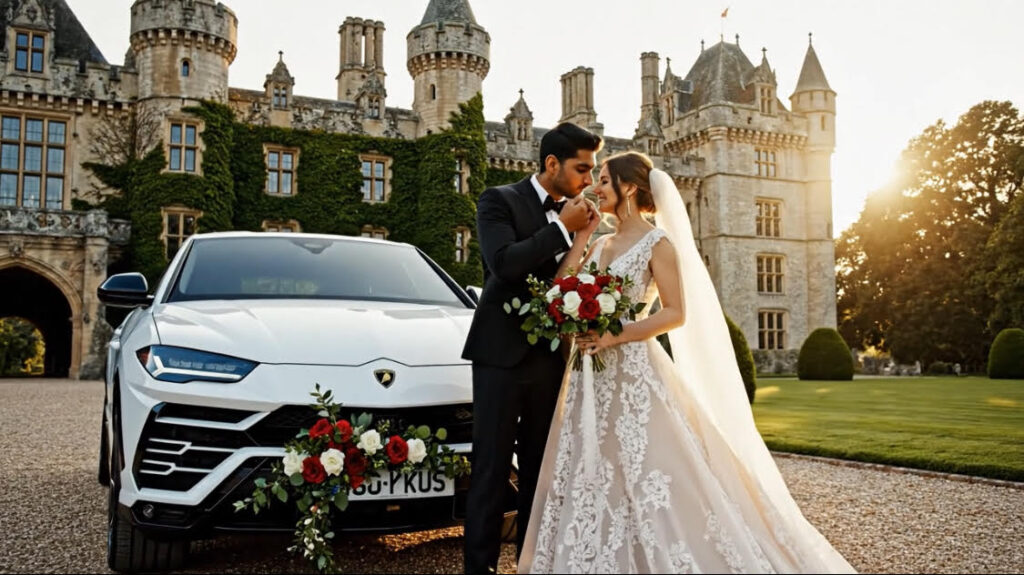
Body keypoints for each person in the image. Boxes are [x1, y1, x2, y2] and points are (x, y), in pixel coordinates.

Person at [517, 152, 856, 574]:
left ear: (630, 188)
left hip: (633, 370)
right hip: (588, 374)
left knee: (653, 467)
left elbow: (675, 312)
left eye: (604, 180)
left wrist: (613, 334)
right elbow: (559, 290)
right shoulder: (600, 243)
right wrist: (582, 237)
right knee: (592, 467)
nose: (595, 188)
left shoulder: (657, 243)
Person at [461, 122, 603, 574]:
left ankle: (530, 565)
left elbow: (568, 284)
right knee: (490, 470)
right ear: (551, 164)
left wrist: (580, 238)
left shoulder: (578, 216)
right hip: (498, 357)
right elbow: (503, 265)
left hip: (548, 358)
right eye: (583, 168)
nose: (589, 179)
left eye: (594, 169)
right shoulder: (497, 200)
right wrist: (563, 227)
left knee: (541, 474)